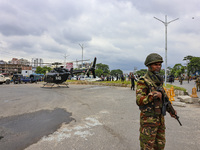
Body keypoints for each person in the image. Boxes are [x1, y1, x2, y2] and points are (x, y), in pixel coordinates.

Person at [136, 53, 177, 150]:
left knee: (160, 145)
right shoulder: (143, 81)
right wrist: (152, 96)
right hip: (148, 122)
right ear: (149, 66)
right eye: (156, 64)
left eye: (160, 64)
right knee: (147, 147)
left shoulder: (157, 80)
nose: (158, 67)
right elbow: (139, 101)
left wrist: (171, 111)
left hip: (160, 119)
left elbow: (164, 99)